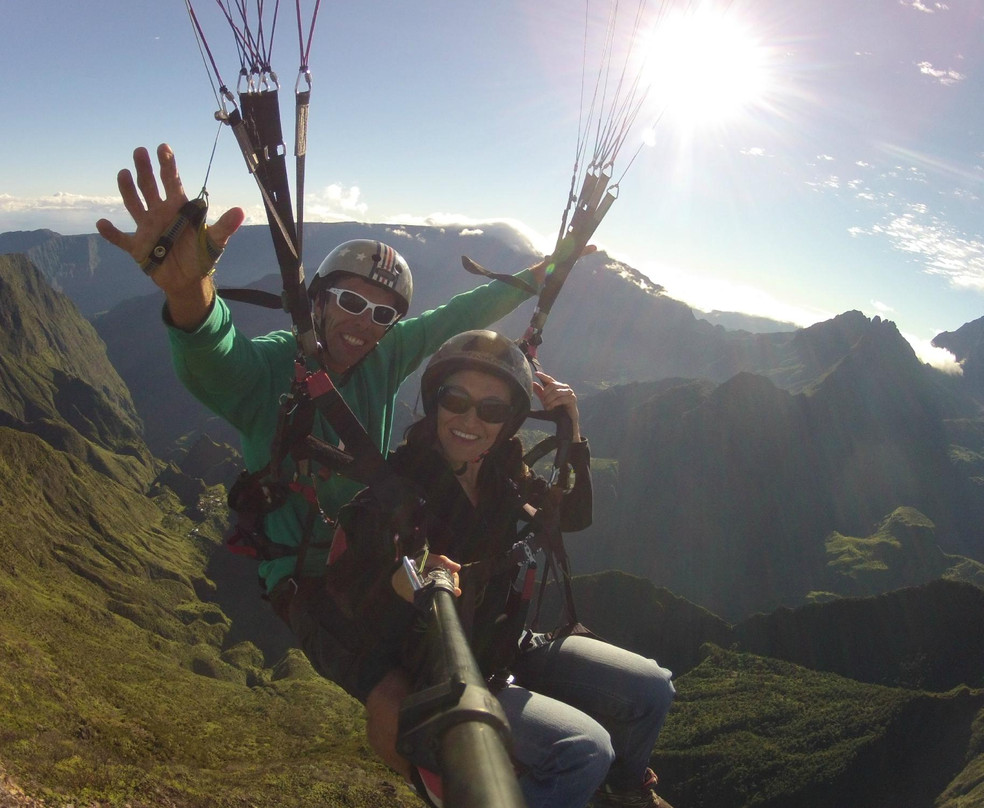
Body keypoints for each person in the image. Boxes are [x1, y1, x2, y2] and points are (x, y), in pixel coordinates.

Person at [96, 144, 563, 774]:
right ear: (317, 301)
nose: (363, 324)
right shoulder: (271, 371)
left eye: (381, 314)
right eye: (349, 302)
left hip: (371, 552)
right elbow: (216, 352)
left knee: (463, 638)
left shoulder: (386, 356)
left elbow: (462, 313)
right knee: (395, 698)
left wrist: (548, 271)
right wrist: (190, 290)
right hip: (306, 576)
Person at [325, 330, 676, 808]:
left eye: (492, 410)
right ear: (435, 401)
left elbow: (572, 517)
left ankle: (624, 792)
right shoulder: (400, 488)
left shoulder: (502, 474)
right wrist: (405, 577)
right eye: (456, 400)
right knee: (584, 750)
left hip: (508, 644)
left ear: (509, 421)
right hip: (447, 670)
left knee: (653, 688)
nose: (471, 420)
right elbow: (354, 583)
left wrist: (571, 432)